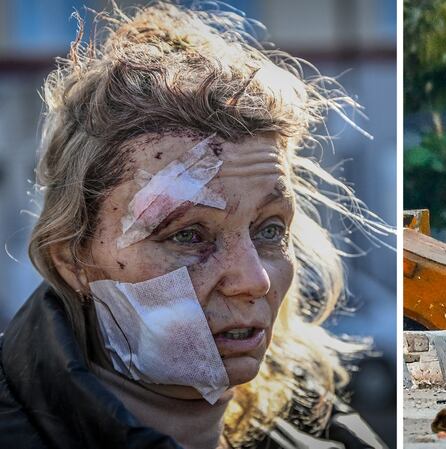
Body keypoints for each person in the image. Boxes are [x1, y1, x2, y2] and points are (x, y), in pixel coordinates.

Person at [0, 3, 387, 449]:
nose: (253, 280)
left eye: (269, 230)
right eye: (187, 235)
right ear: (73, 261)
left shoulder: (328, 437)